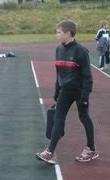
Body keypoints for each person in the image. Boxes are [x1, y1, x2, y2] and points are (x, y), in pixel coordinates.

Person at [36, 20, 98, 164]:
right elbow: (59, 73)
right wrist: (57, 91)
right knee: (58, 119)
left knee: (84, 118)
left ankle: (91, 149)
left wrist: (84, 96)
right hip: (65, 90)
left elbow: (87, 76)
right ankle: (50, 152)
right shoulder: (59, 50)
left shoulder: (81, 51)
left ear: (68, 33)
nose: (56, 35)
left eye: (59, 32)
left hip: (79, 90)